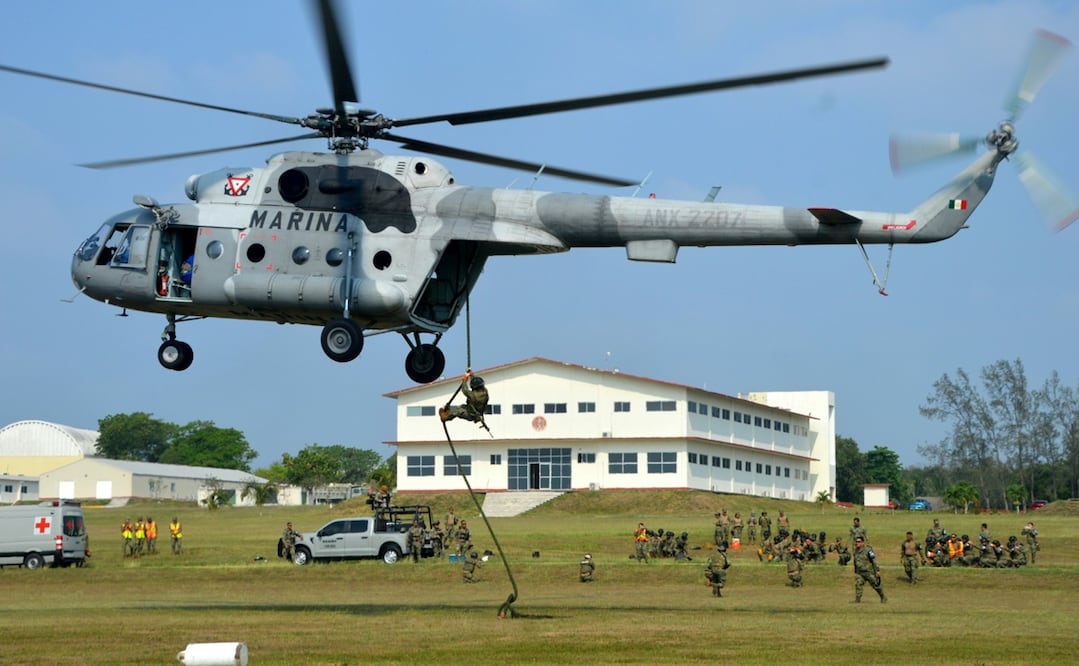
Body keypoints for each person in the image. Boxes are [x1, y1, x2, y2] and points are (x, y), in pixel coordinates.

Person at [852, 535, 886, 603]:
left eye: (859, 541)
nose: (857, 543)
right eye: (856, 542)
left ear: (862, 542)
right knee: (858, 584)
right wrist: (856, 571)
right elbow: (855, 561)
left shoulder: (868, 550)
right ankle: (857, 600)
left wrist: (877, 570)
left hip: (869, 572)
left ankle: (883, 597)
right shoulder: (855, 551)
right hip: (860, 573)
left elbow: (874, 561)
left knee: (876, 585)